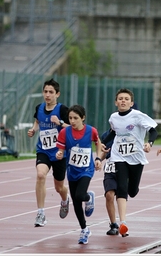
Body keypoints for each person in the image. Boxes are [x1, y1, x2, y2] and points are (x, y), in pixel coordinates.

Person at [101, 88, 158, 237]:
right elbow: (113, 132)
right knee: (121, 187)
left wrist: (149, 143)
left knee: (131, 191)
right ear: (116, 102)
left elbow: (154, 131)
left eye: (126, 99)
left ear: (131, 102)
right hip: (119, 156)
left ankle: (131, 190)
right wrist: (102, 142)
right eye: (120, 98)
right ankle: (123, 223)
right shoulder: (113, 117)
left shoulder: (138, 116)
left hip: (136, 157)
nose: (123, 101)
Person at [55, 105, 102, 245]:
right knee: (75, 202)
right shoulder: (64, 132)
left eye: (75, 118)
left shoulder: (91, 131)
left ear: (83, 118)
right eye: (70, 118)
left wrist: (98, 158)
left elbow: (98, 143)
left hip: (86, 169)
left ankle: (89, 197)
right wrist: (59, 154)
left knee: (80, 195)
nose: (73, 121)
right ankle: (84, 229)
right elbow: (61, 150)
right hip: (72, 170)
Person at [27, 78, 69, 227]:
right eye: (45, 91)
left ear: (57, 94)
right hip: (43, 150)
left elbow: (73, 127)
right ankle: (41, 213)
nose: (48, 95)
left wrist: (60, 123)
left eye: (51, 92)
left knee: (59, 187)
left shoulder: (63, 110)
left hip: (59, 152)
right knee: (40, 175)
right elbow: (38, 121)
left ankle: (65, 200)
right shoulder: (39, 107)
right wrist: (33, 129)